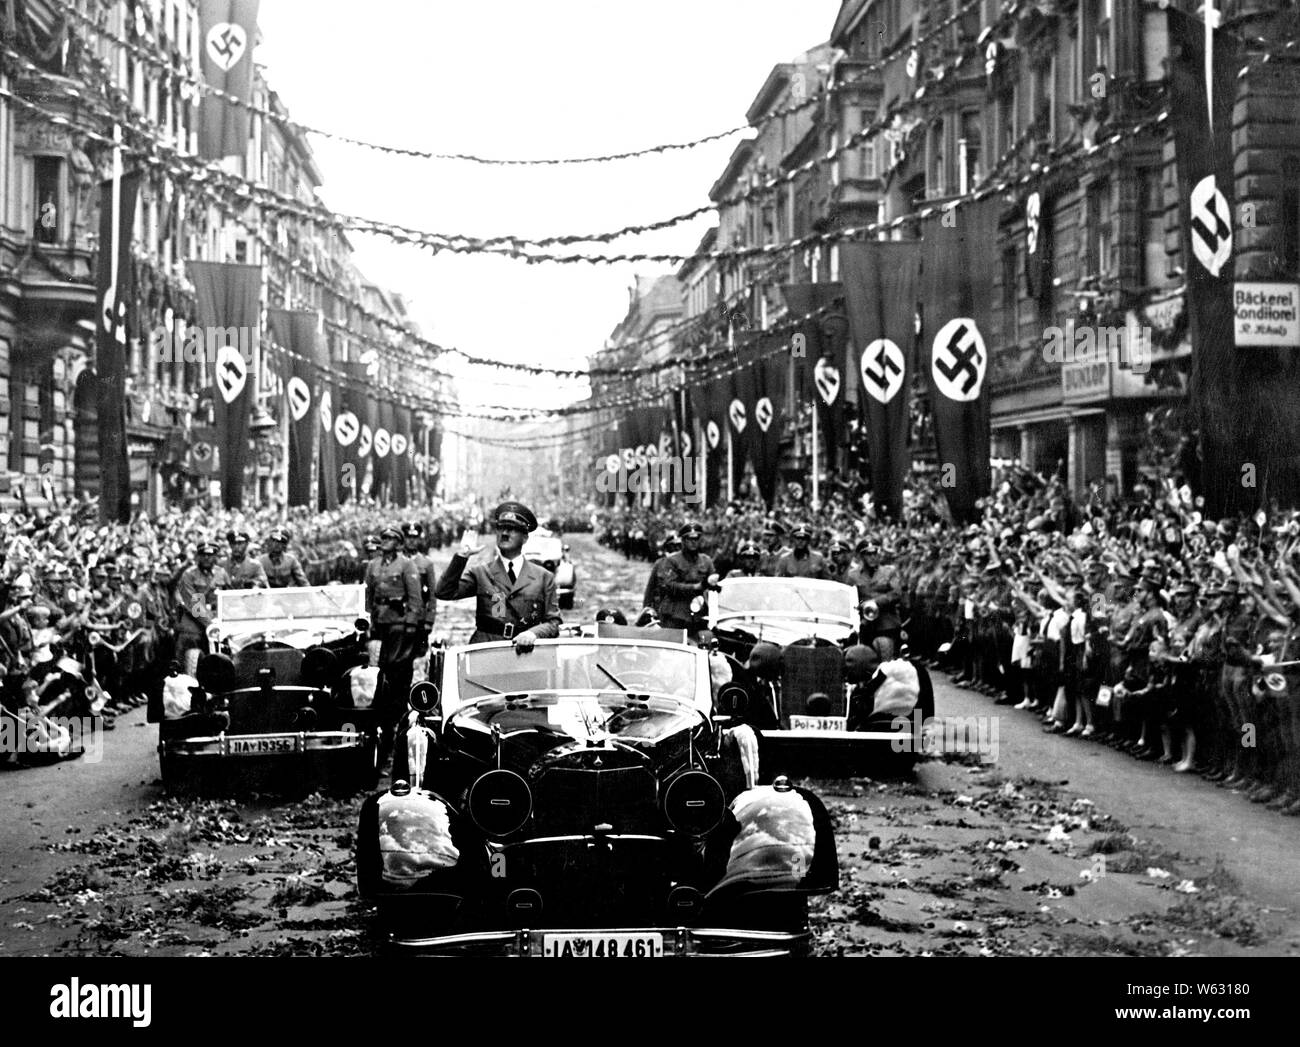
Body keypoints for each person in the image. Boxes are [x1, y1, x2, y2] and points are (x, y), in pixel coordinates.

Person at [435, 501, 562, 650]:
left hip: (527, 655)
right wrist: (462, 556)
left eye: (512, 529)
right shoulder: (481, 573)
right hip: (486, 652)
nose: (505, 533)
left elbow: (554, 623)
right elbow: (443, 592)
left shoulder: (543, 577)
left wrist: (533, 634)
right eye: (501, 528)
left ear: (525, 538)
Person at [365, 524, 424, 759]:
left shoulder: (406, 564)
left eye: (390, 538)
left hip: (399, 627)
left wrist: (411, 625)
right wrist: (366, 618)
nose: (385, 541)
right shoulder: (373, 565)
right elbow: (368, 594)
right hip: (380, 626)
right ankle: (382, 730)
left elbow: (416, 598)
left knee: (399, 677)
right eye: (383, 537)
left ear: (398, 543)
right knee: (378, 676)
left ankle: (400, 731)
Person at [174, 541, 231, 675]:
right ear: (198, 556)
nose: (206, 558)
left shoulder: (221, 573)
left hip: (218, 617)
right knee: (189, 638)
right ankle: (188, 678)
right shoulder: (189, 574)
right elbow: (194, 604)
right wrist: (211, 625)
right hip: (195, 618)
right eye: (203, 554)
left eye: (210, 555)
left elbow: (229, 598)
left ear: (216, 556)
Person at [652, 522, 717, 634]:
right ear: (683, 540)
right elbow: (669, 586)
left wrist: (714, 584)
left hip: (699, 614)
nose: (693, 542)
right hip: (676, 614)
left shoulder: (706, 561)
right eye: (689, 539)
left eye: (696, 539)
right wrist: (696, 587)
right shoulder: (672, 561)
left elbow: (714, 586)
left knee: (708, 642)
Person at [402, 522, 439, 647]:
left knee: (416, 651)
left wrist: (430, 619)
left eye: (415, 538)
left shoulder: (425, 563)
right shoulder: (398, 561)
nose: (411, 541)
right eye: (408, 538)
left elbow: (433, 594)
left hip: (419, 616)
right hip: (399, 615)